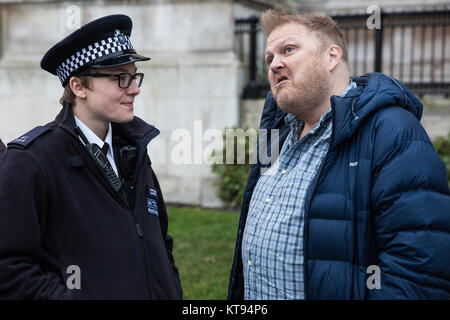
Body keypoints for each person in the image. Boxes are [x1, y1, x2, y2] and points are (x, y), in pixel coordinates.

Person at [228, 7, 450, 300]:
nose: (274, 64)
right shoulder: (277, 134)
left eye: (288, 50)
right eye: (269, 58)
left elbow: (419, 274)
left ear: (331, 56)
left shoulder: (392, 131)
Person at [0, 14, 182, 299]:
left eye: (134, 76)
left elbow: (160, 242)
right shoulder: (31, 161)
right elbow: (10, 271)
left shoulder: (135, 150)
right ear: (78, 87)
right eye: (120, 78)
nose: (134, 88)